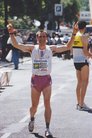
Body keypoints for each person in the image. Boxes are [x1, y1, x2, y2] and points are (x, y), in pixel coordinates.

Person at [7, 23, 77, 137]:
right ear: (37, 38)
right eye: (40, 36)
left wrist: (74, 33)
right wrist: (11, 32)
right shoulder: (32, 48)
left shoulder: (51, 49)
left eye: (44, 36)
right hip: (35, 80)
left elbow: (68, 47)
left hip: (46, 80)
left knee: (47, 103)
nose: (42, 38)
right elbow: (16, 44)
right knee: (34, 106)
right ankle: (32, 118)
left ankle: (47, 128)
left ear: (47, 38)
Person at [68, 21, 92, 111]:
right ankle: (82, 104)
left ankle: (79, 103)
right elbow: (85, 52)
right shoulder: (84, 37)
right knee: (85, 82)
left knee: (79, 82)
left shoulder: (76, 35)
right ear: (85, 27)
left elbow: (70, 48)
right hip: (83, 61)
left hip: (76, 61)